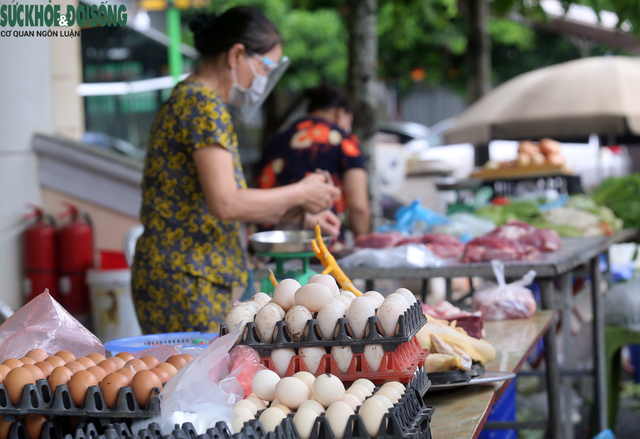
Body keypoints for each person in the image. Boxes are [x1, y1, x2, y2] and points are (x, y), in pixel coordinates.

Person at [131, 7, 341, 334]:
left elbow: (218, 202)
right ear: (237, 54)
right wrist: (302, 191)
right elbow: (226, 203)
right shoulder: (201, 104)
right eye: (265, 67)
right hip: (187, 282)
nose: (264, 80)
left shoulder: (195, 100)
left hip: (190, 277)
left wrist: (298, 208)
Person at [258, 84, 371, 238]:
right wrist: (362, 243)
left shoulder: (278, 137)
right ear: (341, 113)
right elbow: (358, 206)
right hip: (323, 243)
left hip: (272, 242)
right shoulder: (344, 140)